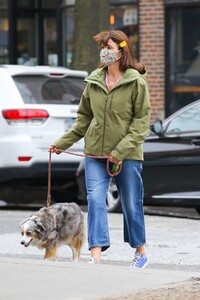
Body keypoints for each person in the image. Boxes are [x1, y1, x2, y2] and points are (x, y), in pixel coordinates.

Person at [49, 30, 151, 268]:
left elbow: (141, 122)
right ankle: (96, 254)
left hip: (127, 155)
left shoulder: (136, 81)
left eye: (109, 46)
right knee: (95, 200)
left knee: (131, 203)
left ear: (121, 50)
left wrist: (120, 150)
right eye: (102, 47)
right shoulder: (94, 80)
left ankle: (141, 252)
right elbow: (84, 119)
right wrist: (61, 144)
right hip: (95, 153)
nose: (105, 51)